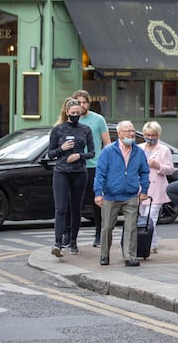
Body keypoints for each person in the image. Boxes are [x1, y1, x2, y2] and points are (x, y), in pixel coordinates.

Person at [93, 120, 149, 267]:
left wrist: (144, 191)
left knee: (131, 227)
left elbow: (144, 172)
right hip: (111, 195)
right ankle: (104, 255)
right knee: (107, 228)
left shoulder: (139, 152)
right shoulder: (108, 151)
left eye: (132, 131)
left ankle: (130, 257)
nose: (131, 134)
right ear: (119, 134)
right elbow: (100, 174)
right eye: (127, 131)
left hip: (130, 195)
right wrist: (98, 193)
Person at [47, 97, 95, 257]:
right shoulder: (58, 129)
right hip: (61, 172)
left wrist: (79, 156)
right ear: (67, 112)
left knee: (76, 209)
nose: (75, 115)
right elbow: (50, 154)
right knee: (61, 209)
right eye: (73, 113)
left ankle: (73, 241)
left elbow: (92, 153)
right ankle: (58, 243)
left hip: (79, 173)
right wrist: (62, 148)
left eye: (78, 113)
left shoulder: (85, 129)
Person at [72, 90, 111, 248]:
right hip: (75, 166)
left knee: (97, 202)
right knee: (75, 203)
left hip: (94, 166)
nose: (81, 105)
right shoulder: (70, 119)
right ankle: (71, 237)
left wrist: (108, 164)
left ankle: (98, 233)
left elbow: (107, 143)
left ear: (89, 103)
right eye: (78, 102)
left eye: (84, 102)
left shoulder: (98, 119)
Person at [139, 121, 174, 254]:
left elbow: (170, 169)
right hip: (141, 188)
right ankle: (152, 244)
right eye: (147, 134)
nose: (150, 137)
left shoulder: (164, 149)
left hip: (157, 188)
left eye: (153, 135)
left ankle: (148, 245)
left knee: (150, 218)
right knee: (143, 219)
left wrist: (157, 165)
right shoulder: (139, 148)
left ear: (158, 135)